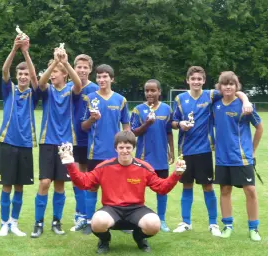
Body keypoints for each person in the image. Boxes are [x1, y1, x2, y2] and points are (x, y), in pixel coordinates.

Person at [59, 131, 186, 254]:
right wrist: (70, 164)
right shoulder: (104, 167)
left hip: (136, 209)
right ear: (116, 148)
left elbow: (162, 188)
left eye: (128, 147)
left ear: (133, 148)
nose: (125, 150)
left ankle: (139, 237)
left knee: (154, 224)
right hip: (112, 209)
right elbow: (84, 182)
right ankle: (104, 241)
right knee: (97, 222)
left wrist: (176, 174)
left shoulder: (144, 167)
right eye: (121, 147)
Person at [171, 66, 253, 236]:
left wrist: (245, 101)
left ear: (204, 81)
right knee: (187, 186)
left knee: (207, 186)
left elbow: (232, 90)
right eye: (193, 79)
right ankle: (186, 222)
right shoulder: (179, 99)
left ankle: (213, 224)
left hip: (204, 150)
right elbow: (173, 121)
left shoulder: (210, 95)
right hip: (185, 150)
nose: (196, 82)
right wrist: (180, 125)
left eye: (199, 79)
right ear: (187, 81)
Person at [31, 47, 82, 238]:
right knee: (45, 182)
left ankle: (56, 221)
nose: (51, 75)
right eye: (51, 72)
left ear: (64, 75)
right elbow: (40, 83)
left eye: (55, 73)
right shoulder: (48, 90)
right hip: (47, 141)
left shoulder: (70, 89)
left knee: (60, 184)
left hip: (66, 144)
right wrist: (53, 62)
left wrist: (66, 62)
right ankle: (38, 222)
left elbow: (78, 83)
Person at [0, 35, 39, 236]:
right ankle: (4, 223)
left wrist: (26, 51)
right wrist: (14, 49)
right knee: (6, 185)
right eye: (20, 73)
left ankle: (14, 222)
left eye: (26, 74)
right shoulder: (8, 90)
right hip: (7, 143)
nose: (23, 76)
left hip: (25, 145)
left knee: (20, 186)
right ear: (16, 75)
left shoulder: (34, 93)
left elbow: (35, 74)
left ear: (30, 77)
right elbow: (4, 71)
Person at [212, 71, 263, 241]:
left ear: (236, 86)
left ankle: (253, 228)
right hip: (221, 157)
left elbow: (260, 127)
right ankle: (227, 225)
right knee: (225, 190)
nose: (228, 86)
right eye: (225, 84)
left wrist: (252, 151)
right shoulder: (216, 104)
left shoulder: (244, 106)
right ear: (220, 87)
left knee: (250, 191)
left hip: (241, 157)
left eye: (231, 84)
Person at [80, 64, 130, 234]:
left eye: (105, 77)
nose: (102, 80)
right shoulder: (89, 98)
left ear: (112, 79)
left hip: (115, 153)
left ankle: (121, 221)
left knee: (118, 188)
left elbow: (126, 128)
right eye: (99, 77)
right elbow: (83, 126)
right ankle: (89, 221)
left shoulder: (121, 100)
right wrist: (92, 119)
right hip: (95, 152)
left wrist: (127, 150)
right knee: (92, 187)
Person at [130, 79, 174, 232]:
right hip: (142, 159)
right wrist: (147, 123)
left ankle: (161, 219)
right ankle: (134, 218)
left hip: (161, 158)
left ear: (159, 92)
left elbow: (169, 132)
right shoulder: (137, 109)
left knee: (162, 190)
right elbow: (133, 133)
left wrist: (172, 150)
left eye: (153, 90)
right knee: (136, 190)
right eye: (147, 90)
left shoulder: (167, 109)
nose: (149, 93)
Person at [69, 54, 99, 232]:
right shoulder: (68, 87)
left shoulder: (95, 89)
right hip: (72, 138)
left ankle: (88, 215)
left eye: (85, 67)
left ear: (90, 69)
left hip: (90, 139)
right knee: (76, 177)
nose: (81, 70)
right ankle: (80, 213)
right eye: (78, 67)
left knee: (89, 177)